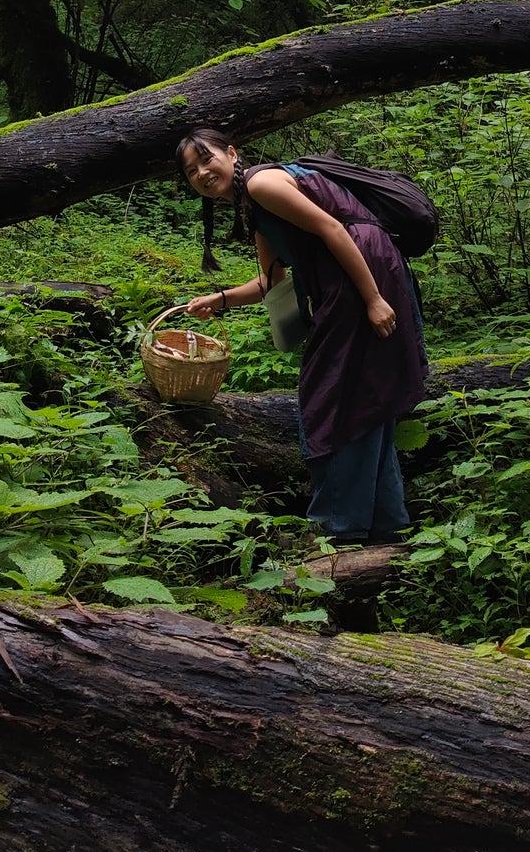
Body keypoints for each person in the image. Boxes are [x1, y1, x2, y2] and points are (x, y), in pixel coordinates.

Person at [177, 127, 427, 546]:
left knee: (335, 399)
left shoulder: (261, 183)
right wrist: (218, 300)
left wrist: (373, 300)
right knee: (363, 396)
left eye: (207, 158)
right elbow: (268, 283)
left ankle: (339, 529)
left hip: (362, 274)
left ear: (232, 153)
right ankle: (386, 525)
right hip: (351, 280)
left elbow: (333, 229)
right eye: (191, 170)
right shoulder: (256, 206)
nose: (202, 172)